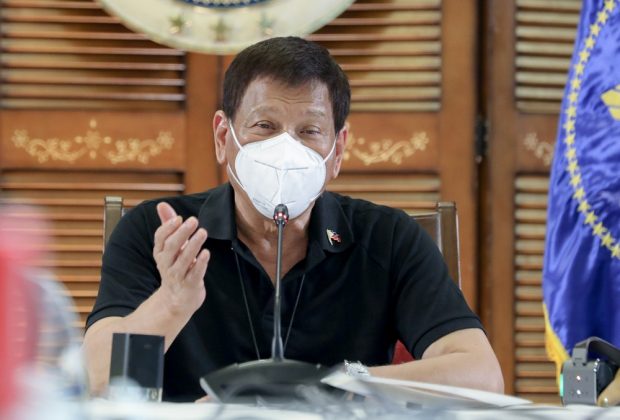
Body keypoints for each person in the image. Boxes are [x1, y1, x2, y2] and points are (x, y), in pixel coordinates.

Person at [83, 36, 504, 402]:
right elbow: (100, 383)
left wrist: (332, 386)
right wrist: (171, 304)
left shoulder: (388, 238)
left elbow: (481, 377)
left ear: (337, 151)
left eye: (309, 131)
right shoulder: (162, 233)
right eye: (264, 126)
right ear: (223, 137)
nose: (286, 150)